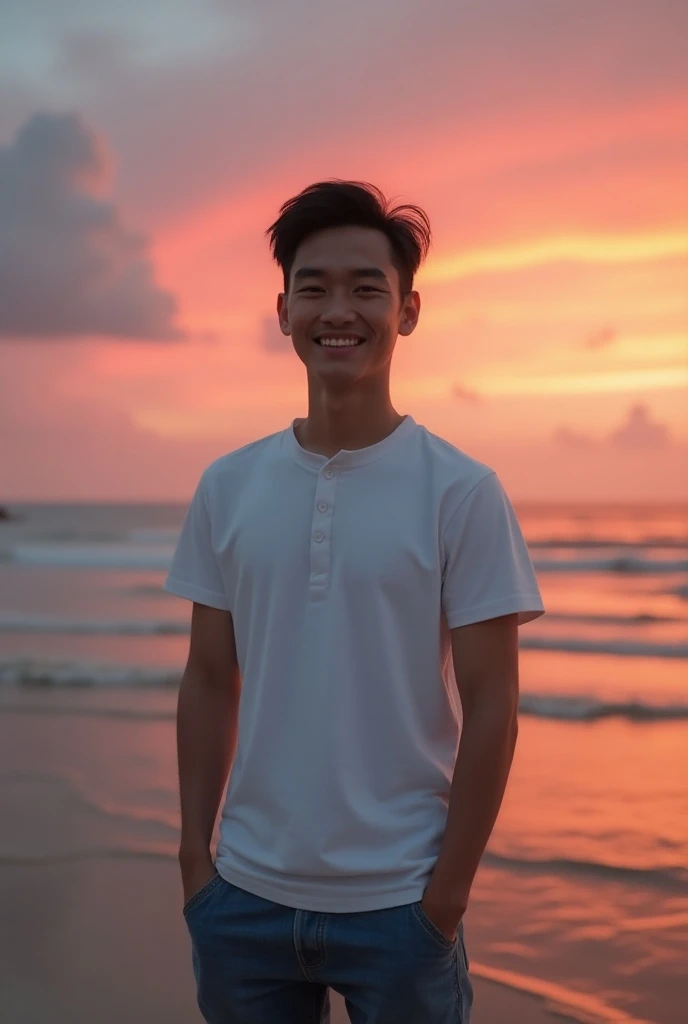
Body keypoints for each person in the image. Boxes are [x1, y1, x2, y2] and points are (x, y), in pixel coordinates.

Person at [163, 179, 545, 1023]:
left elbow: (494, 706)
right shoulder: (228, 487)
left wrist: (444, 899)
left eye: (366, 288)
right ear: (283, 310)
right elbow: (207, 677)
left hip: (401, 908)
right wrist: (197, 861)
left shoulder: (461, 492)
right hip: (242, 898)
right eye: (315, 287)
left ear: (407, 311)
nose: (340, 310)